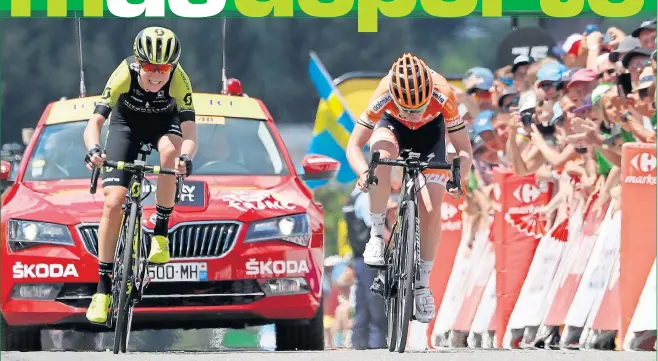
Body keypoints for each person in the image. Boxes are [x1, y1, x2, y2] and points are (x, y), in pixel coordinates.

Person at [345, 53, 472, 323]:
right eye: (407, 108)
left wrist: (462, 177)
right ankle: (377, 235)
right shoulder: (383, 92)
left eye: (418, 107)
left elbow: (464, 149)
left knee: (430, 207)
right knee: (381, 155)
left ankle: (423, 285)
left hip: (431, 135)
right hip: (392, 128)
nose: (413, 114)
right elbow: (354, 145)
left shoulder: (443, 95)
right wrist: (363, 172)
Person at [83, 27, 198, 324]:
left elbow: (189, 133)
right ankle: (103, 289)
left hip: (164, 126)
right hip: (126, 126)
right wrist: (94, 149)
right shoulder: (123, 74)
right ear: (138, 62)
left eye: (164, 68)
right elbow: (95, 121)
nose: (157, 75)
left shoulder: (179, 79)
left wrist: (186, 157)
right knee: (113, 202)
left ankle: (160, 232)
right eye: (150, 68)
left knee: (170, 155)